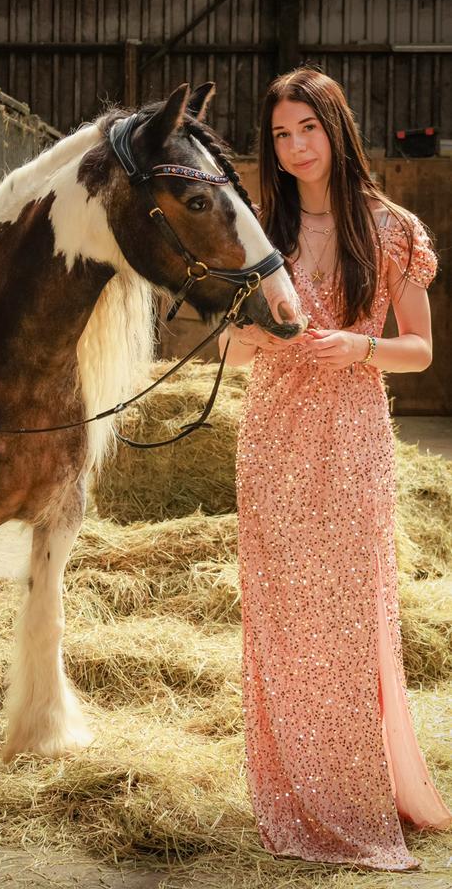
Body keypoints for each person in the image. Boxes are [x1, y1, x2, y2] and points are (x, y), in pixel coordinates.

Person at [219, 67, 452, 871]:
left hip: (353, 437)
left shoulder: (391, 229)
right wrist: (256, 337)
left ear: (336, 127)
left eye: (307, 129)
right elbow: (227, 349)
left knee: (350, 614)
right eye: (280, 135)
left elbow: (420, 351)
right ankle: (292, 793)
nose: (295, 148)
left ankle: (354, 792)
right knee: (281, 614)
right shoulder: (258, 232)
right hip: (272, 439)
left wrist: (358, 346)